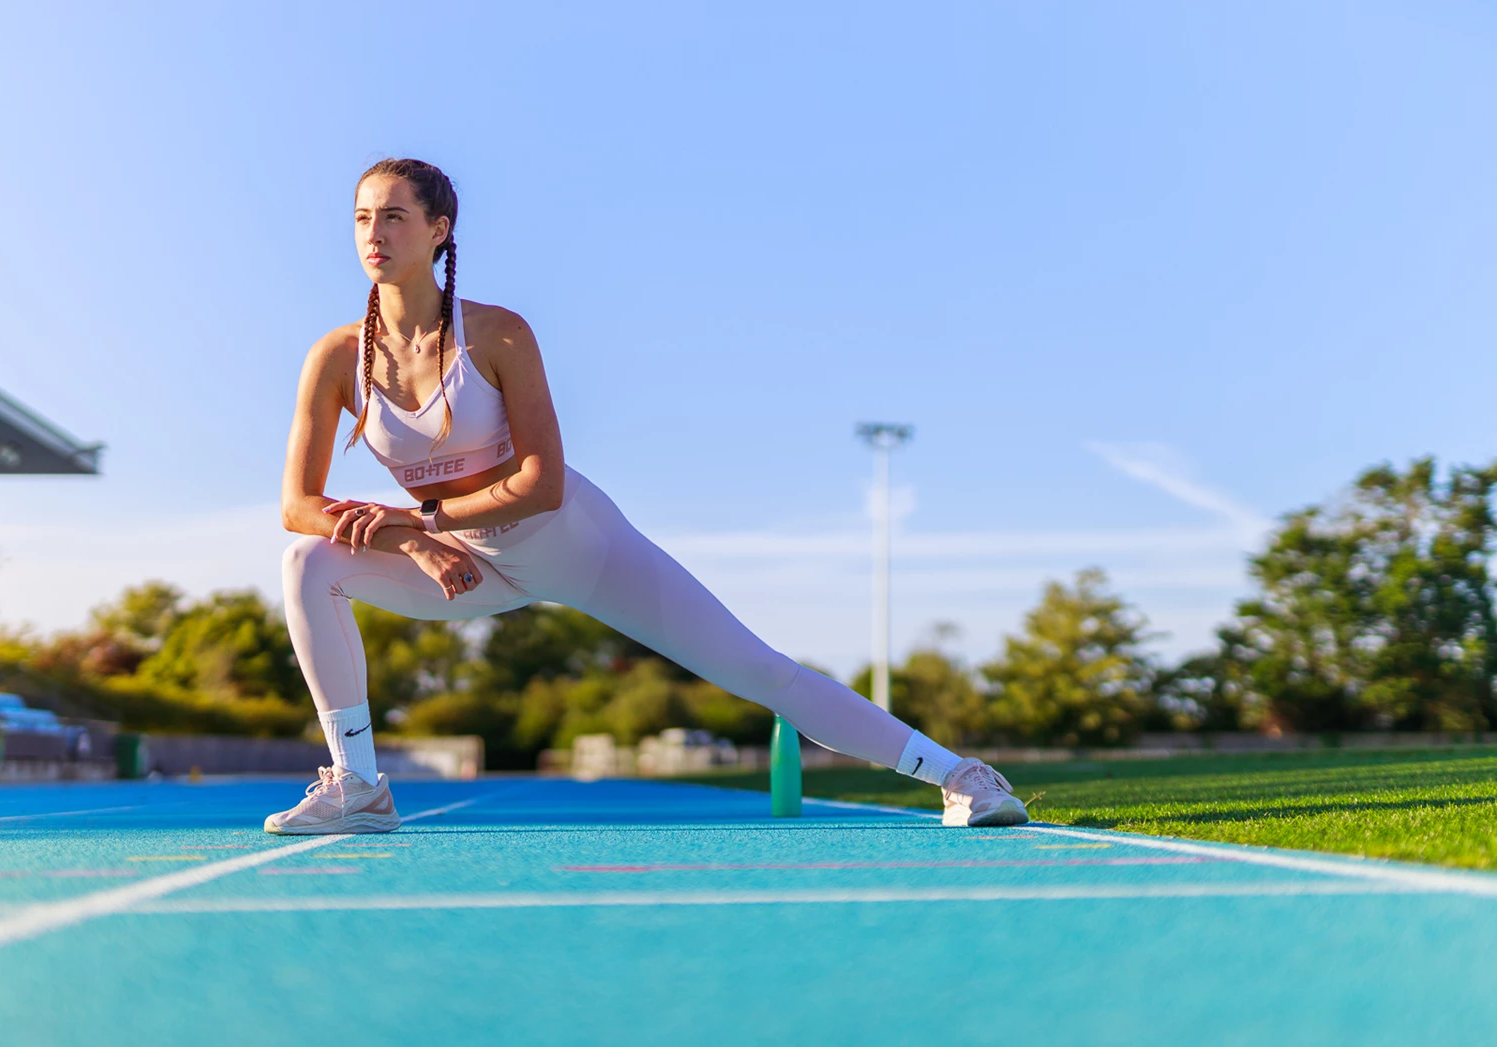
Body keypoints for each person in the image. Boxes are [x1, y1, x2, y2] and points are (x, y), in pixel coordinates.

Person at [269, 158, 1026, 835]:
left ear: (439, 230)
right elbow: (299, 505)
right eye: (363, 217)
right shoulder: (336, 357)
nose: (374, 232)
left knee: (761, 673)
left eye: (395, 215)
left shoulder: (497, 335)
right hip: (466, 565)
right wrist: (412, 540)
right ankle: (359, 786)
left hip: (576, 546)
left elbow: (543, 482)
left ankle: (964, 776)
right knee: (307, 561)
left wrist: (420, 517)